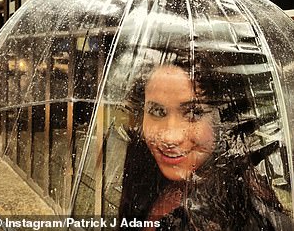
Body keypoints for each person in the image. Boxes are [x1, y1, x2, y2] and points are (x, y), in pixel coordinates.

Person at [117, 54, 293, 231]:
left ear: (226, 119)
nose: (170, 137)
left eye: (193, 113)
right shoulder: (144, 182)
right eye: (157, 111)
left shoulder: (252, 220)